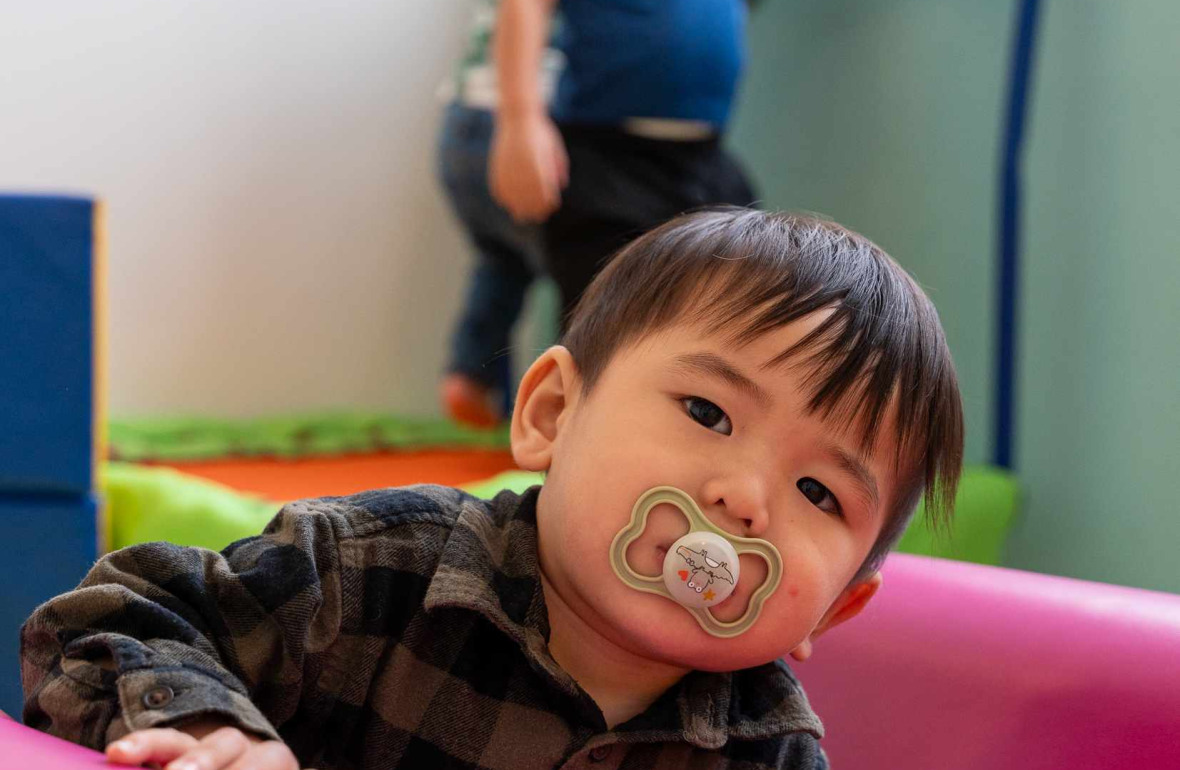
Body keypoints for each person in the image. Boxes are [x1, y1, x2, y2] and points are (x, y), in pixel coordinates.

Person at [21, 209, 964, 769]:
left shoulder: (769, 749)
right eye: (709, 414)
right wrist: (206, 724)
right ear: (551, 413)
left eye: (817, 490)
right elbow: (102, 621)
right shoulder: (368, 569)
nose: (746, 498)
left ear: (834, 611)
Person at [490, 0, 759, 325]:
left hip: (704, 158)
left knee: (725, 314)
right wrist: (520, 120)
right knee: (602, 327)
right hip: (607, 156)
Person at [437, 0, 564, 426]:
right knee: (580, 274)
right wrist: (521, 118)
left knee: (500, 259)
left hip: (461, 125)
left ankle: (473, 373)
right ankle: (555, 407)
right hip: (521, 127)